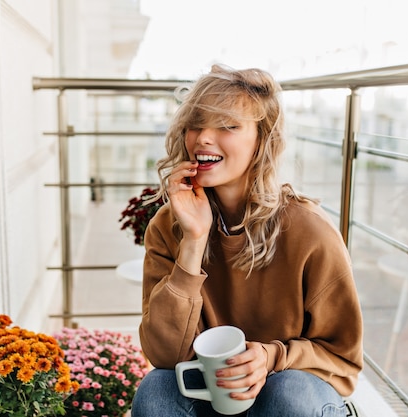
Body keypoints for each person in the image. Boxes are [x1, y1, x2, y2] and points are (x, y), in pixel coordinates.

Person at [131, 64, 363, 417]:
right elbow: (164, 356)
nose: (204, 138)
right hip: (217, 394)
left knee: (287, 392)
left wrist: (271, 357)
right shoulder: (168, 226)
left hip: (292, 396)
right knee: (157, 391)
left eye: (228, 126)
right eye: (197, 124)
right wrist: (193, 241)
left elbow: (343, 359)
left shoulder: (310, 231)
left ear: (261, 140)